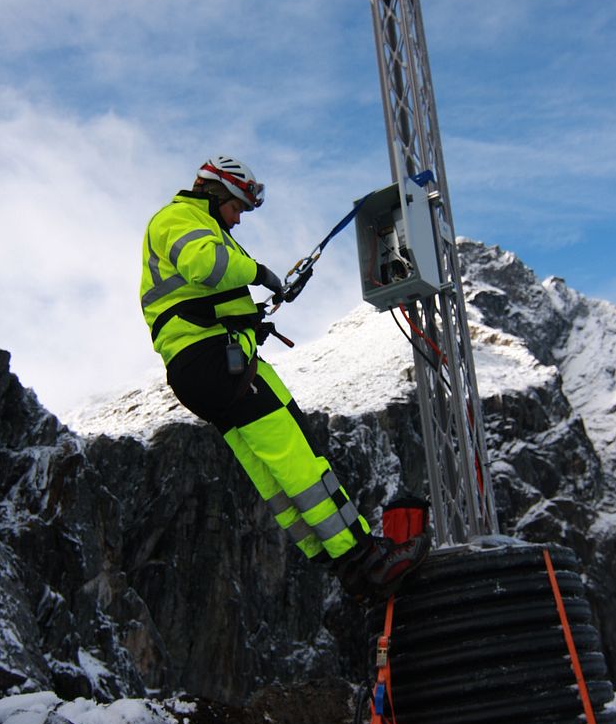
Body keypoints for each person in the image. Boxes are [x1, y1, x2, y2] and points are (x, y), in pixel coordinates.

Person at [139, 154, 429, 603]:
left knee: (270, 470)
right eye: (237, 208)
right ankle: (367, 559)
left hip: (202, 366)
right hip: (218, 360)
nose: (237, 220)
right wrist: (261, 273)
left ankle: (341, 561)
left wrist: (256, 310)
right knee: (297, 454)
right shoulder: (181, 219)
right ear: (220, 193)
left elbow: (202, 297)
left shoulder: (193, 228)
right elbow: (207, 267)